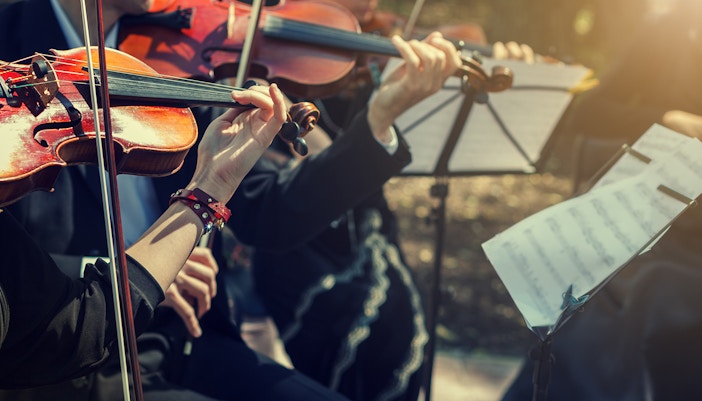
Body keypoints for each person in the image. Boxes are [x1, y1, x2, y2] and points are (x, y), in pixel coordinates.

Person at [0, 0, 353, 400]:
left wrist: (375, 133)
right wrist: (129, 268)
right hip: (71, 355)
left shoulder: (162, 51)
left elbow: (268, 214)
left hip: (182, 333)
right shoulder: (8, 52)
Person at [0, 83, 287, 388]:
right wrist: (208, 190)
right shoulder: (18, 87)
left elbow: (271, 212)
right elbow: (64, 324)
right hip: (86, 365)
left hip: (185, 328)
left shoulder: (153, 67)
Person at [501, 2, 702, 400]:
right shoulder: (671, 27)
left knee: (655, 288)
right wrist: (669, 117)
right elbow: (589, 112)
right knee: (614, 284)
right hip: (663, 227)